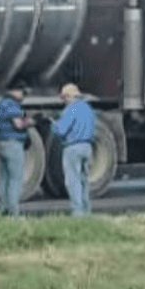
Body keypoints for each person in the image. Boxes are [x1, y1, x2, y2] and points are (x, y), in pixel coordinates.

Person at [53, 83, 97, 217]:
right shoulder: (88, 109)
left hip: (73, 148)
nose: (63, 101)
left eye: (64, 98)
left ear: (68, 97)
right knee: (84, 180)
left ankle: (77, 213)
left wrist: (53, 125)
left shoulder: (71, 110)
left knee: (73, 181)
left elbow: (61, 130)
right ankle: (86, 210)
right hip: (87, 147)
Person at [0, 83, 32, 217]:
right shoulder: (11, 105)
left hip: (2, 143)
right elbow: (19, 124)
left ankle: (1, 209)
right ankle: (13, 212)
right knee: (16, 179)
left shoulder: (2, 104)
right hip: (13, 144)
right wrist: (32, 122)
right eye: (23, 92)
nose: (24, 96)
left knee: (4, 179)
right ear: (15, 91)